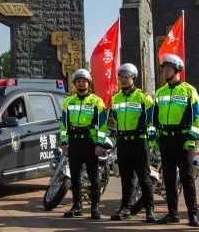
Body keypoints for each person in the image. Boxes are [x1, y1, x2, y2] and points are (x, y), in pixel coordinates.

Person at [149, 54, 199, 226]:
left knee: (187, 179)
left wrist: (192, 137)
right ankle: (173, 214)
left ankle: (192, 215)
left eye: (169, 69)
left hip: (183, 139)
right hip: (166, 140)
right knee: (169, 179)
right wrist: (153, 136)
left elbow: (197, 116)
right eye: (164, 69)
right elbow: (154, 118)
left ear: (178, 70)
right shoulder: (160, 92)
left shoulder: (189, 90)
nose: (165, 71)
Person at [59, 68, 110, 219]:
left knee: (93, 176)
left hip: (90, 143)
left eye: (84, 81)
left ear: (89, 83)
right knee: (74, 177)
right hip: (74, 142)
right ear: (74, 83)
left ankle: (95, 208)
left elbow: (102, 125)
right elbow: (64, 125)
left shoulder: (96, 101)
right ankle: (77, 206)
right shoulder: (68, 102)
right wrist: (63, 142)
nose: (81, 83)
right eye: (78, 81)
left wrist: (99, 144)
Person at [108, 63, 156, 223]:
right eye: (120, 76)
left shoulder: (144, 98)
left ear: (133, 78)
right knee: (126, 178)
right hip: (123, 143)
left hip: (139, 143)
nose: (123, 79)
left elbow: (151, 120)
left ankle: (150, 210)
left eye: (126, 77)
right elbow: (114, 119)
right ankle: (125, 208)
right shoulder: (115, 98)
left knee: (144, 177)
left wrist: (151, 135)